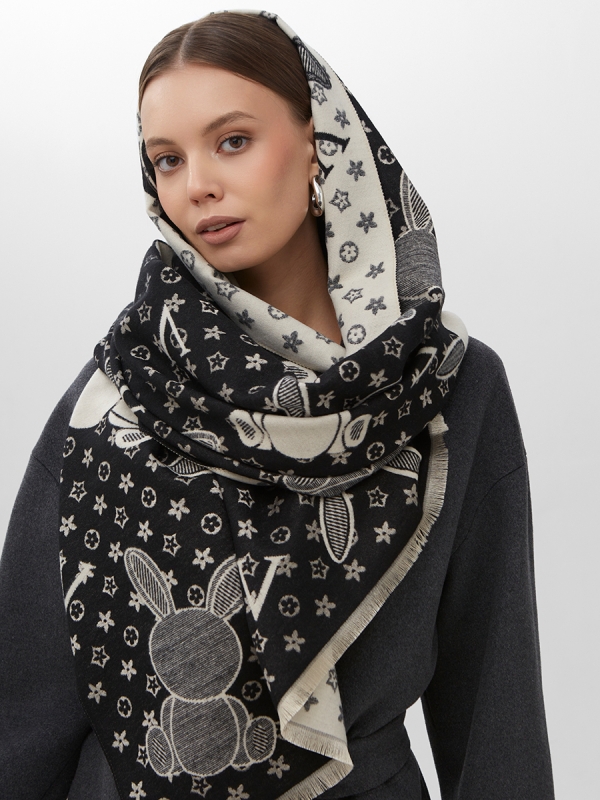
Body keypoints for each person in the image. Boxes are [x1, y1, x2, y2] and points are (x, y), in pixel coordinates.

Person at [0, 10, 554, 800]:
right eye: (166, 159)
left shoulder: (448, 389)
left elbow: (495, 708)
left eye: (232, 141)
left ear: (320, 143)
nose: (197, 184)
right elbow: (24, 720)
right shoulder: (114, 402)